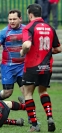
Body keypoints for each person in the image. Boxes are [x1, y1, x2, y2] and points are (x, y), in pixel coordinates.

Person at [20, 4, 61, 132]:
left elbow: (27, 44)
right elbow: (58, 48)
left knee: (28, 94)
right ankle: (50, 117)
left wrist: (23, 51)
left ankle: (34, 125)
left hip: (32, 66)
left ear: (30, 14)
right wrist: (46, 51)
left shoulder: (29, 27)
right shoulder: (50, 27)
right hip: (46, 66)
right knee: (43, 92)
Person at [0, 9, 25, 101]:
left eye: (14, 19)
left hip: (23, 66)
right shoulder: (4, 32)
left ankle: (31, 114)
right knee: (7, 92)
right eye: (10, 19)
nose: (12, 21)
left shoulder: (26, 30)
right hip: (8, 67)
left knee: (26, 91)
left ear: (20, 19)